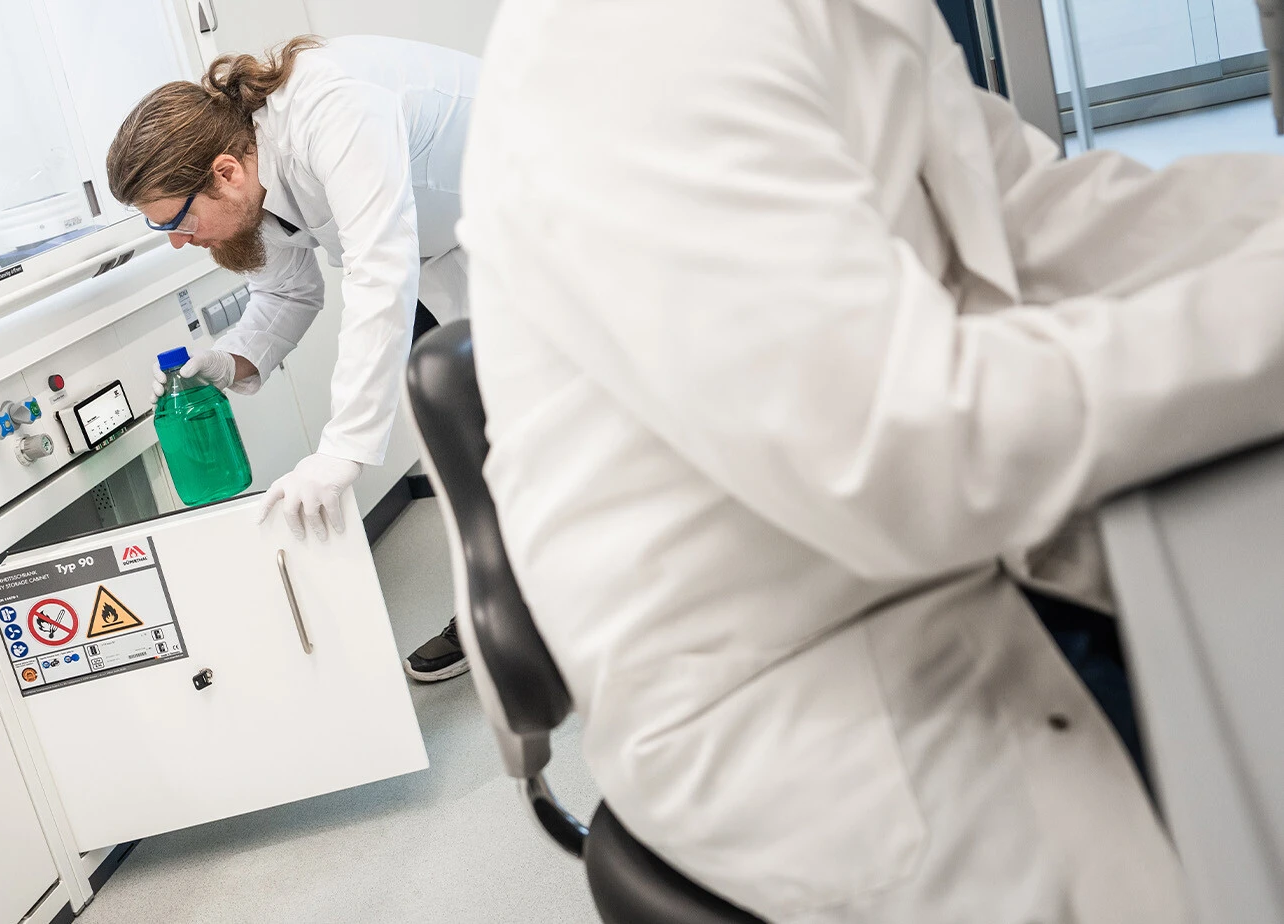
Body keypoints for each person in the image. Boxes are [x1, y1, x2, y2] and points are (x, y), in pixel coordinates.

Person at [462, 1, 1284, 921]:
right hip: (807, 685)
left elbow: (1024, 218)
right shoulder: (633, 40)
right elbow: (915, 454)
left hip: (933, 574)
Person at [107, 35, 479, 682]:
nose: (178, 243)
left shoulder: (331, 110)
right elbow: (287, 290)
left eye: (177, 221)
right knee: (468, 444)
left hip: (542, 205)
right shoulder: (250, 177)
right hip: (444, 250)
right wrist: (230, 361)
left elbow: (378, 268)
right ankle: (503, 607)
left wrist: (344, 449)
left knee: (558, 425)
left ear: (225, 172)